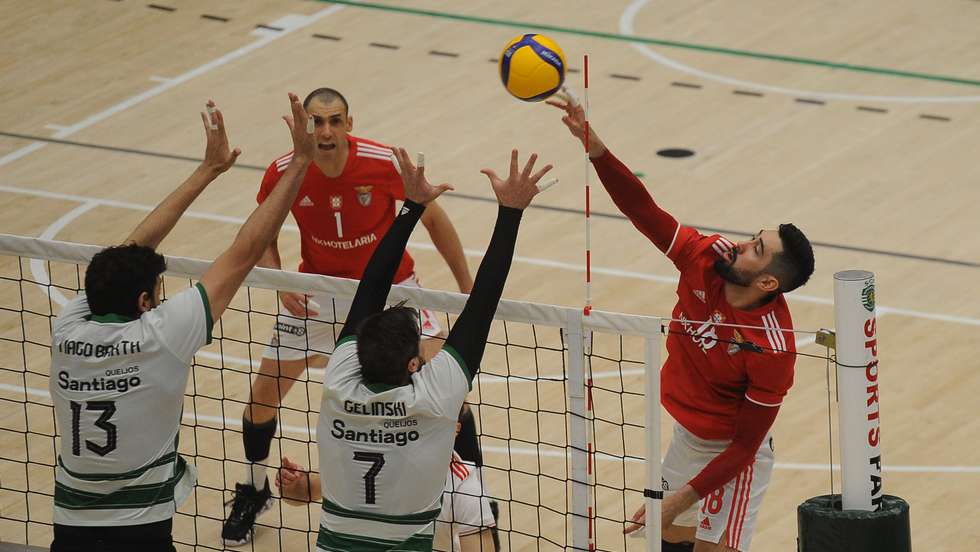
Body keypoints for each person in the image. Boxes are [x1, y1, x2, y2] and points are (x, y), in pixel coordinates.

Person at [48, 94, 315, 552]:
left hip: (69, 525)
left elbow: (125, 257)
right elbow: (245, 251)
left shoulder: (68, 329)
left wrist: (208, 170)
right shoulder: (162, 335)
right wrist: (300, 163)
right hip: (140, 530)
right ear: (145, 300)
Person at [548, 92, 815, 552]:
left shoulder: (773, 346)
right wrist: (595, 147)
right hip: (687, 436)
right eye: (752, 237)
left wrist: (678, 499)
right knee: (668, 536)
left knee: (696, 537)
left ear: (768, 282)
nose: (738, 244)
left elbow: (745, 447)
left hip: (733, 455)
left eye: (755, 248)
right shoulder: (704, 257)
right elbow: (644, 211)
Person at [223, 87, 477, 546]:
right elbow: (264, 225)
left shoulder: (382, 163)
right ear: (306, 128)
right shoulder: (286, 170)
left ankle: (472, 491)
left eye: (334, 121)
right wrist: (281, 281)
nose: (325, 131)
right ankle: (254, 488)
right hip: (316, 295)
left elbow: (434, 219)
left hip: (394, 295)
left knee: (453, 392)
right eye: (316, 122)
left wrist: (466, 287)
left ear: (349, 124)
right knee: (261, 398)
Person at [304, 147, 550, 551]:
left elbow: (368, 290)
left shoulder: (339, 381)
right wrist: (511, 212)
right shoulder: (435, 398)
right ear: (415, 363)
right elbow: (484, 302)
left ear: (357, 352)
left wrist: (411, 207)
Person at [274, 404, 497, 552]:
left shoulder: (463, 485)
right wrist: (293, 484)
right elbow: (307, 491)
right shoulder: (378, 458)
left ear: (454, 429)